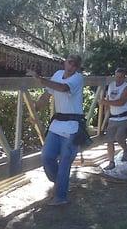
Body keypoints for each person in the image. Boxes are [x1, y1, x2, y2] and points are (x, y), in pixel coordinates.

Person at [27, 54, 84, 206]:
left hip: (72, 126)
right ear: (65, 62)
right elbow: (47, 94)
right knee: (46, 156)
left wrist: (39, 79)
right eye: (70, 63)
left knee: (65, 162)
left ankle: (60, 197)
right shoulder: (58, 74)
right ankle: (60, 183)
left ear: (77, 67)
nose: (71, 67)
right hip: (57, 124)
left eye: (75, 65)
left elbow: (63, 88)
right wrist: (36, 109)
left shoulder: (78, 78)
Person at [102, 68, 127, 171]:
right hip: (113, 117)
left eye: (121, 77)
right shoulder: (111, 85)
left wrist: (106, 103)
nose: (118, 79)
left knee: (119, 137)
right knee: (109, 141)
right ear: (114, 76)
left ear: (124, 77)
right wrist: (106, 112)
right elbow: (108, 99)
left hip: (123, 117)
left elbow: (121, 102)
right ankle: (111, 162)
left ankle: (126, 150)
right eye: (117, 76)